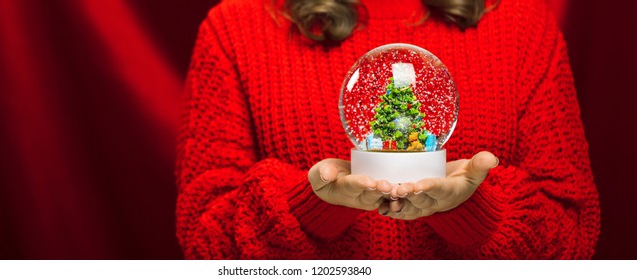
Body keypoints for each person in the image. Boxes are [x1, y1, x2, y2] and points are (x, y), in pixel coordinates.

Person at [175, 0, 600, 259]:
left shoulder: (523, 26)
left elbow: (573, 242)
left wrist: (473, 212)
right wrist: (309, 207)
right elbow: (206, 243)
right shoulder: (234, 28)